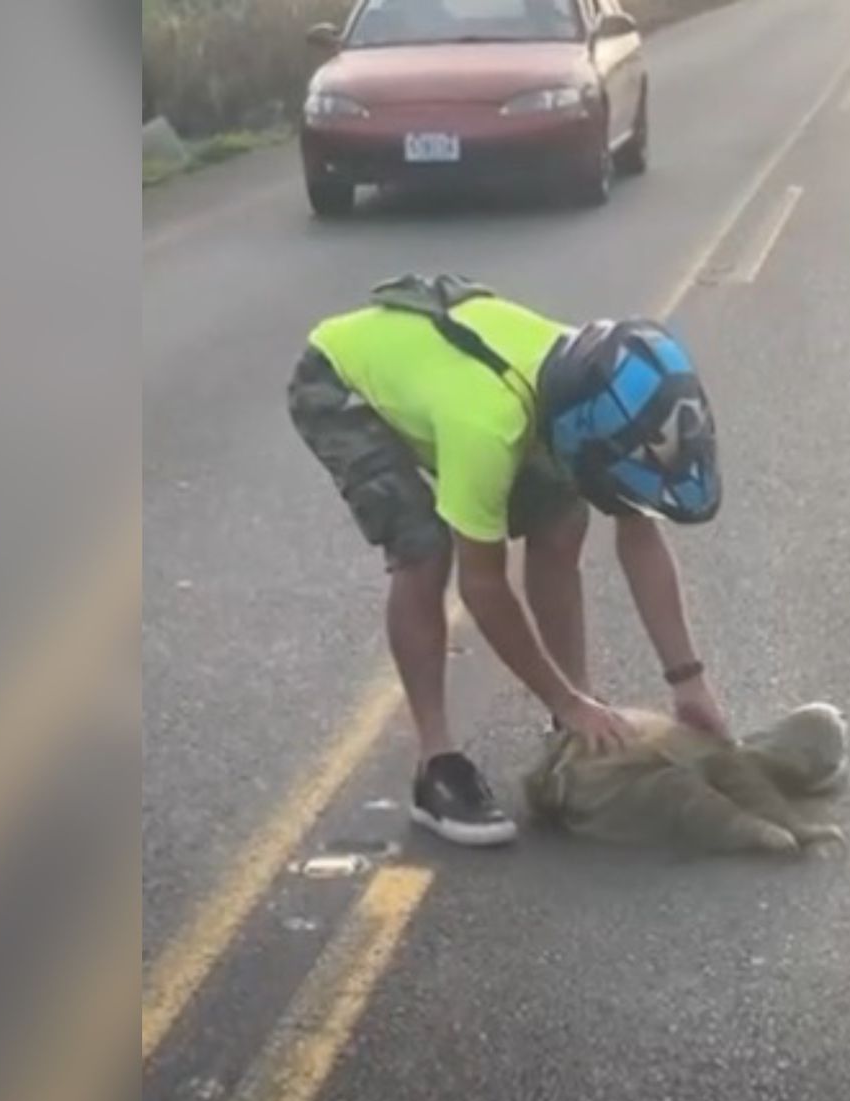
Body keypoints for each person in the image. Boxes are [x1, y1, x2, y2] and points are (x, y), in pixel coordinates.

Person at [286, 273, 728, 847]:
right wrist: (564, 701)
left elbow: (637, 531)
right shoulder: (486, 429)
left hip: (455, 367)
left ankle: (575, 718)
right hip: (340, 381)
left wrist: (689, 683)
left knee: (563, 519)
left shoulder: (599, 382)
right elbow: (484, 590)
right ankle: (436, 767)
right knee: (424, 548)